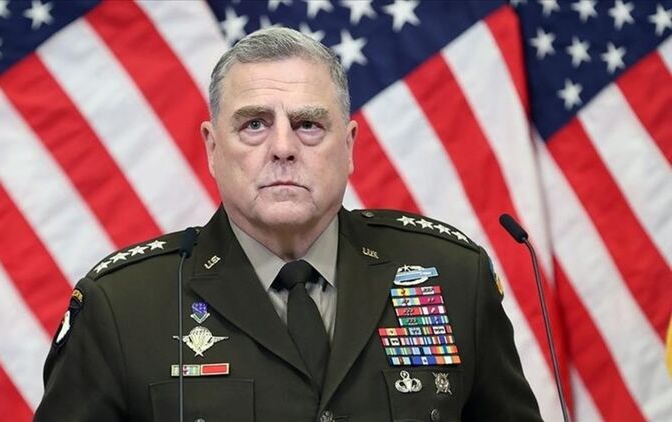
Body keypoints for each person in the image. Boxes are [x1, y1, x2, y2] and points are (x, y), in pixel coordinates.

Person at [35, 27, 542, 421]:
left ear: (349, 146)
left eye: (308, 124)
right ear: (213, 148)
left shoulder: (451, 277)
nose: (283, 147)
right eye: (254, 124)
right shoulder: (122, 307)